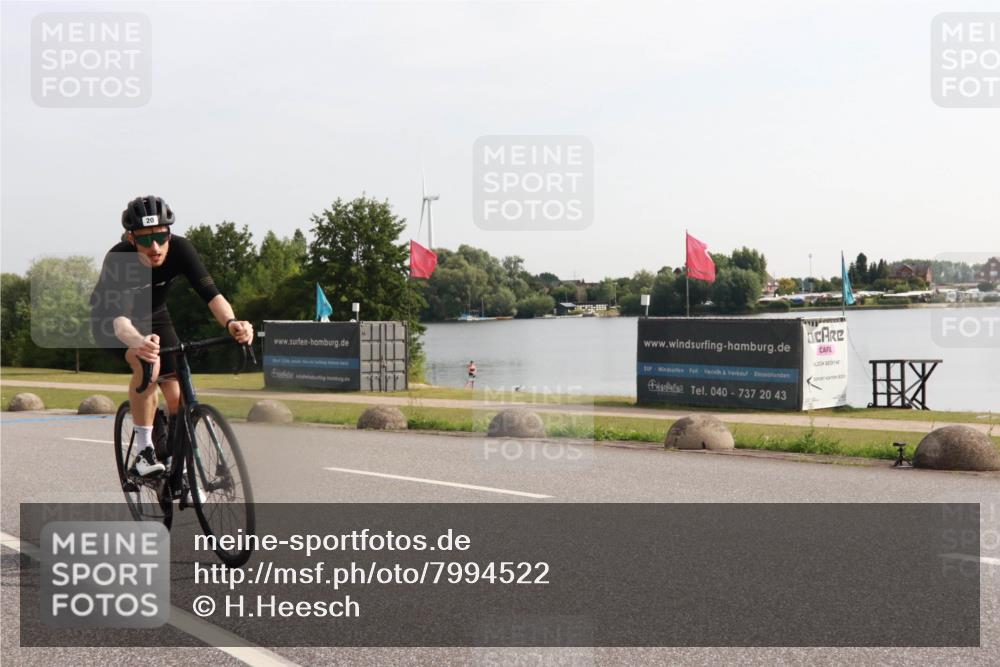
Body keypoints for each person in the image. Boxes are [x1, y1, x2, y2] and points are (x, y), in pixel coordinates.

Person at [90, 195, 253, 478]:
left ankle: (172, 450)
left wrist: (233, 323)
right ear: (131, 239)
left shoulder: (181, 249)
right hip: (113, 321)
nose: (155, 247)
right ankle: (144, 451)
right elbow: (119, 321)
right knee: (146, 366)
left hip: (155, 315)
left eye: (161, 237)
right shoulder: (119, 259)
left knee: (176, 395)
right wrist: (138, 342)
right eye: (144, 240)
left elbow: (213, 296)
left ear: (169, 233)